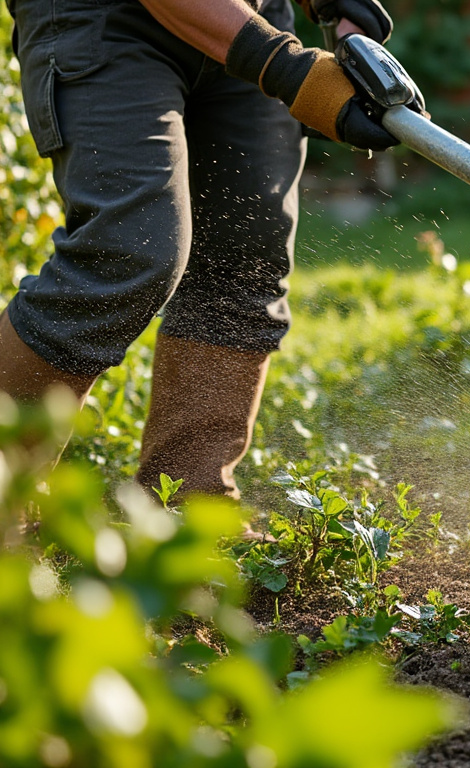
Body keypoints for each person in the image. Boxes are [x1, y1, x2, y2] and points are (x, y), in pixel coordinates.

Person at [1, 0, 406, 498]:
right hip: (103, 16)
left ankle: (186, 503)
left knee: (244, 256)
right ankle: (5, 490)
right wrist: (287, 67)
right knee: (128, 247)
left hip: (249, 10)